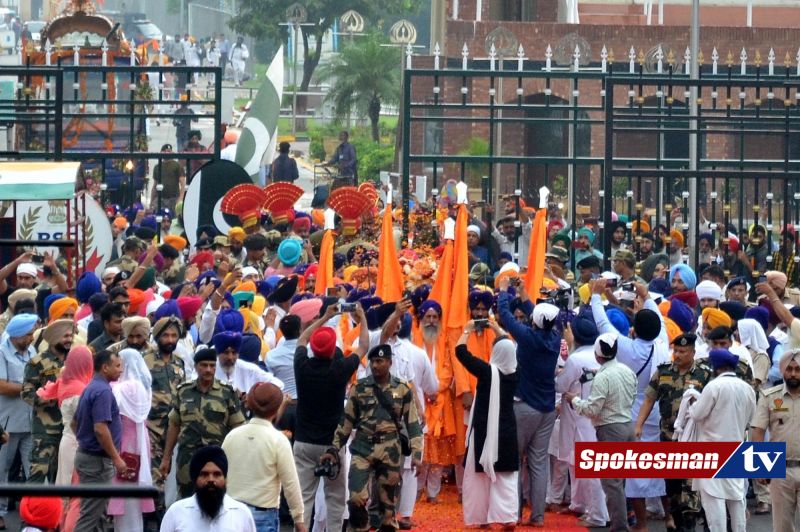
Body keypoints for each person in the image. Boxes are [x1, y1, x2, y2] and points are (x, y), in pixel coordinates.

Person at [321, 344, 423, 532]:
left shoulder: (402, 390)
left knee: (388, 507)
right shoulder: (359, 388)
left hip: (390, 450)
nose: (375, 365)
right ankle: (360, 527)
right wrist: (334, 449)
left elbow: (413, 424)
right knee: (355, 499)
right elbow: (346, 422)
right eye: (373, 361)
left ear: (390, 363)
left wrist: (417, 453)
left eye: (380, 361)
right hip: (362, 448)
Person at [293, 304, 366, 532]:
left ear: (314, 349)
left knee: (303, 498)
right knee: (335, 499)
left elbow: (301, 341)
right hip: (332, 445)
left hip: (304, 443)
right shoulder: (340, 369)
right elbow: (363, 346)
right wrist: (362, 317)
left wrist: (324, 318)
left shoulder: (302, 366)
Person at [496, 276, 561, 527]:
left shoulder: (528, 337)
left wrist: (503, 292)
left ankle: (513, 513)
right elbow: (539, 316)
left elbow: (505, 316)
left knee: (514, 460)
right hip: (546, 410)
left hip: (524, 407)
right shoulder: (554, 338)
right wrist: (523, 293)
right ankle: (538, 517)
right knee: (538, 464)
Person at [635, 333, 712, 531]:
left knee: (691, 487)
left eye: (682, 352)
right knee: (672, 488)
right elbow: (649, 400)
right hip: (668, 438)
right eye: (675, 351)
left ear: (693, 353)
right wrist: (639, 425)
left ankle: (690, 524)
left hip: (695, 439)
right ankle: (678, 522)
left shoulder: (705, 374)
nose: (677, 355)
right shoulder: (663, 372)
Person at [563, 333, 637, 532]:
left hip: (611, 431)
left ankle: (620, 527)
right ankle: (625, 521)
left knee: (612, 484)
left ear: (597, 355)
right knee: (620, 482)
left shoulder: (603, 377)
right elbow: (633, 392)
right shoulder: (626, 370)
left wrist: (573, 400)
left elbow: (591, 410)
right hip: (628, 426)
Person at [455, 321, 519, 529]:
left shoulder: (486, 371)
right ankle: (507, 516)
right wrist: (497, 329)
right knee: (506, 476)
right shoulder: (516, 373)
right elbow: (511, 347)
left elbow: (460, 352)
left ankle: (482, 517)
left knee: (479, 476)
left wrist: (467, 329)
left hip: (484, 429)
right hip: (508, 431)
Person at [159, 347, 245, 499]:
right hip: (188, 459)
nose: (208, 370)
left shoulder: (227, 393)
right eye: (204, 365)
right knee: (187, 500)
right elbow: (174, 425)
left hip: (217, 457)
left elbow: (238, 427)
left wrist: (238, 459)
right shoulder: (183, 392)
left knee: (216, 499)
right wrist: (166, 458)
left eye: (212, 366)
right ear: (196, 367)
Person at [688, 348, 756, 532]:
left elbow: (697, 414)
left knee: (715, 507)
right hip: (737, 451)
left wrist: (693, 403)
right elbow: (751, 420)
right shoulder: (748, 389)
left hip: (712, 454)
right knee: (737, 502)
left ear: (715, 367)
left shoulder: (713, 387)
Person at [223, 382, 305, 532]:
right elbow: (290, 483)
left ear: (250, 406)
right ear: (276, 408)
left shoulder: (232, 436)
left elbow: (222, 474)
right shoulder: (278, 440)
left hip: (231, 512)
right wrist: (299, 519)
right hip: (263, 514)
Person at [554, 311, 609, 528]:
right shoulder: (600, 355)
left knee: (587, 467)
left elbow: (560, 386)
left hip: (579, 416)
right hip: (597, 416)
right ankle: (579, 504)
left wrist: (558, 373)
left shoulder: (576, 359)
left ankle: (597, 514)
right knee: (580, 465)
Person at [72, 350, 127, 530]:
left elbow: (75, 423)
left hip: (90, 457)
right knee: (90, 516)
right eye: (117, 366)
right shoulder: (102, 391)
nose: (121, 370)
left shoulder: (92, 387)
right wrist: (116, 458)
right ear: (105, 367)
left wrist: (85, 440)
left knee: (98, 514)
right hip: (97, 462)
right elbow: (101, 429)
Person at [752, 348, 800, 532]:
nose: (793, 373)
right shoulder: (770, 397)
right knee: (782, 527)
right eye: (789, 369)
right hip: (780, 469)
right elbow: (757, 433)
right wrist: (761, 467)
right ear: (782, 370)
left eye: (798, 369)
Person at [107, 349, 155, 532]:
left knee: (122, 490)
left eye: (119, 364)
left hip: (123, 442)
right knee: (132, 495)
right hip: (139, 442)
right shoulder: (141, 386)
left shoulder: (121, 388)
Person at [22, 318, 74, 483]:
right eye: (65, 336)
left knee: (62, 475)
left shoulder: (73, 360)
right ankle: (28, 508)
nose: (69, 340)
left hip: (69, 428)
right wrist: (49, 396)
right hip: (45, 429)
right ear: (54, 338)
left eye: (70, 336)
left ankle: (57, 509)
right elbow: (26, 394)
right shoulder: (37, 363)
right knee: (39, 472)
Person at [160, 446, 256, 531]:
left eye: (217, 474)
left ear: (225, 478)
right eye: (204, 474)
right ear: (195, 478)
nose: (211, 479)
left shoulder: (242, 513)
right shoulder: (176, 512)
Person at [35, 346, 93, 488]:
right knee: (76, 486)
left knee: (65, 482)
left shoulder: (64, 382)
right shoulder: (79, 389)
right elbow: (85, 421)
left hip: (67, 440)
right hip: (79, 443)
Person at [0, 314, 37, 528]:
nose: (32, 338)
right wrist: (29, 389)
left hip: (30, 421)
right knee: (2, 469)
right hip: (7, 424)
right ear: (17, 335)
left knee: (34, 469)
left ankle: (35, 513)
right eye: (29, 334)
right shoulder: (2, 353)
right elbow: (2, 386)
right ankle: (1, 512)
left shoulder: (30, 351)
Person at [151, 144, 186, 212]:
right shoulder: (157, 167)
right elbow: (154, 185)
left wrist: (181, 198)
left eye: (170, 151)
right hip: (161, 199)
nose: (168, 153)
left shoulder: (177, 165)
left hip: (174, 198)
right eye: (166, 151)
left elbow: (183, 183)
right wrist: (152, 201)